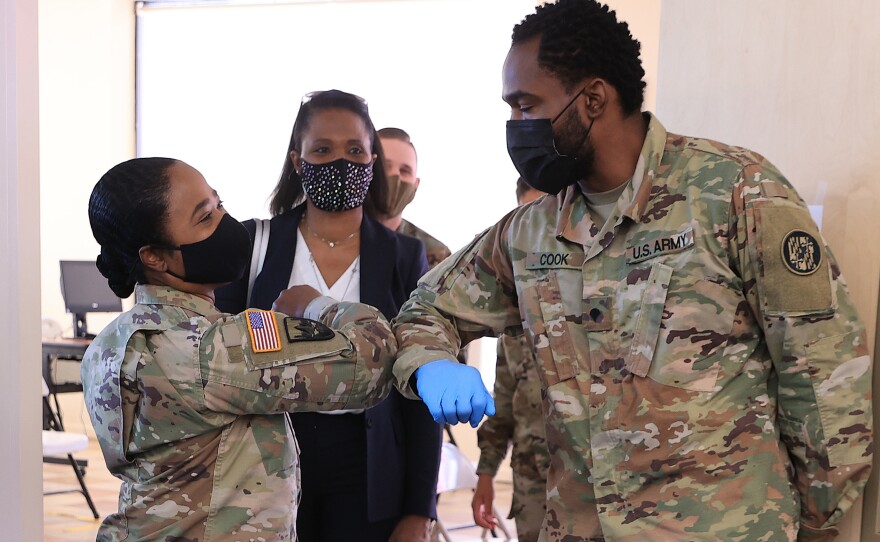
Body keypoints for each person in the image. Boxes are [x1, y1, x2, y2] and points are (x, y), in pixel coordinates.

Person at [391, 1, 873, 540]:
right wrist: (431, 363)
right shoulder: (530, 232)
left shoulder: (735, 193)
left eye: (526, 106)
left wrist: (805, 525)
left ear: (593, 99)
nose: (515, 127)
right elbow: (424, 310)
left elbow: (825, 381)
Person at [81, 157, 400, 541]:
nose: (224, 221)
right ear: (155, 256)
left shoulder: (109, 343)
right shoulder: (212, 348)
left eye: (218, 204)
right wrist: (315, 306)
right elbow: (373, 362)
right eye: (205, 218)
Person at [215, 90, 443, 542]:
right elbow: (219, 361)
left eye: (354, 151)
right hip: (270, 454)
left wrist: (420, 508)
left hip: (367, 460)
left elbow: (418, 381)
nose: (341, 162)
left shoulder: (404, 255)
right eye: (323, 150)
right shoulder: (255, 244)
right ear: (299, 161)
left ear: (372, 159)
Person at [471, 179, 548, 542]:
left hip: (596, 492)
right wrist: (486, 475)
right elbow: (503, 404)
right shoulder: (515, 317)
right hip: (533, 486)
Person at [376, 127, 452, 269]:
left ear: (415, 185)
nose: (395, 176)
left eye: (404, 171)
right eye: (385, 166)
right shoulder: (334, 240)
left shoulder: (437, 256)